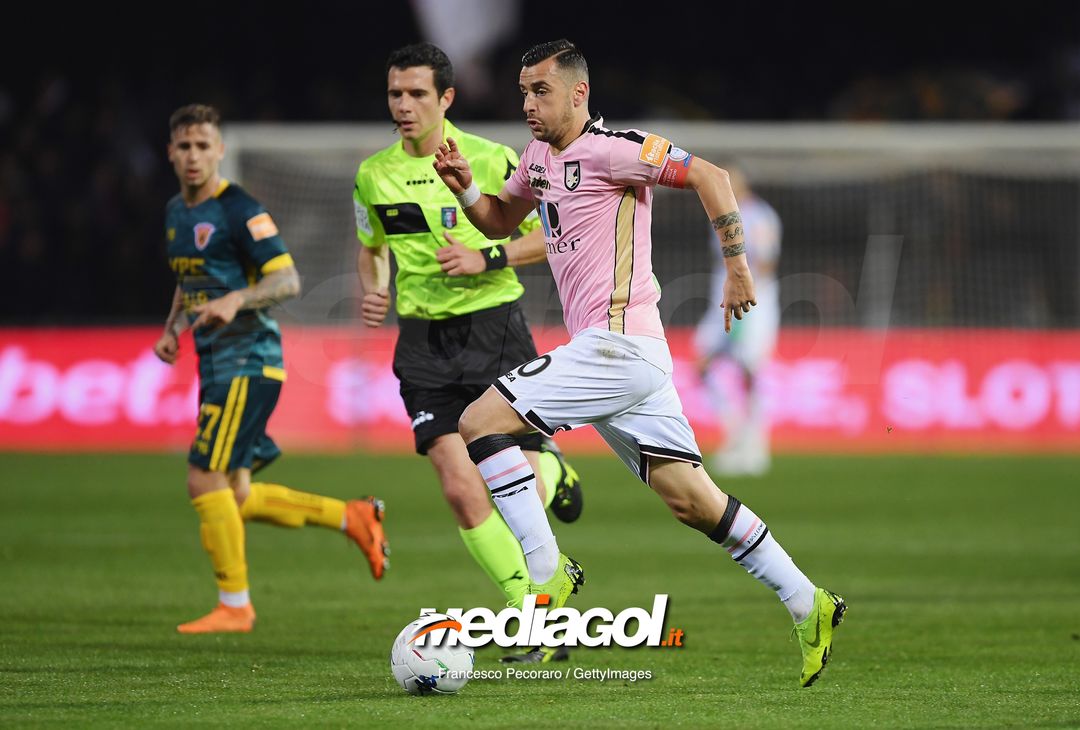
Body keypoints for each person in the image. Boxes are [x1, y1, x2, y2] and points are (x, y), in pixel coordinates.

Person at [434, 40, 847, 687]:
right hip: (628, 362)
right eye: (522, 92)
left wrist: (737, 267)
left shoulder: (617, 149)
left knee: (479, 422)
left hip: (617, 345)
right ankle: (808, 602)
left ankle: (545, 580)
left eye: (540, 91)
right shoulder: (539, 159)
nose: (527, 105)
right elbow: (499, 221)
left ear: (579, 93)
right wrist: (466, 191)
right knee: (693, 502)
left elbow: (710, 176)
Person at [352, 43, 584, 658]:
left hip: (493, 330)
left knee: (520, 487)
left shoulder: (492, 157)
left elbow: (548, 238)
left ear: (446, 98)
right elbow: (371, 244)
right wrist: (373, 288)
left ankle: (552, 469)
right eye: (396, 94)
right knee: (460, 486)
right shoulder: (372, 174)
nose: (404, 105)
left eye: (417, 94)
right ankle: (529, 610)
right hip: (422, 341)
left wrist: (487, 255)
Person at [154, 104, 389, 634]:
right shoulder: (176, 212)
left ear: (219, 150)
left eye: (203, 146)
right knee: (233, 493)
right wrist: (173, 329)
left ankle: (235, 605)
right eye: (184, 147)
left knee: (203, 476)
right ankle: (353, 517)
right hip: (216, 360)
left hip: (249, 357)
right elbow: (190, 279)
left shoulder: (240, 209)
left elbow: (287, 280)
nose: (194, 156)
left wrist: (238, 300)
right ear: (171, 153)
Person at [695, 164, 782, 476]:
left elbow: (766, 262)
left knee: (749, 369)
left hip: (751, 302)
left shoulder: (759, 216)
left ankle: (755, 443)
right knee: (702, 362)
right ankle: (734, 431)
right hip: (721, 302)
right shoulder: (719, 215)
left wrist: (747, 299)